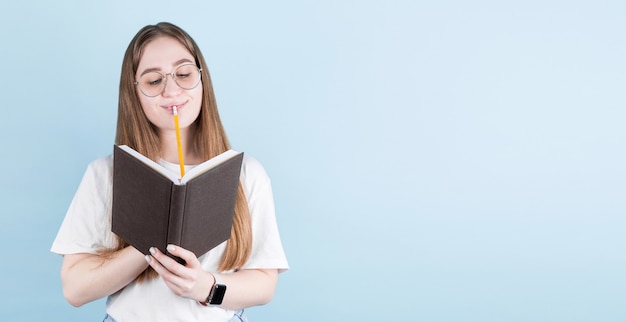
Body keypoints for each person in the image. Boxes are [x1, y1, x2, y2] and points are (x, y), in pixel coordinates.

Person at [50, 22, 289, 322]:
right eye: (153, 81)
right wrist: (149, 245)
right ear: (134, 93)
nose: (172, 90)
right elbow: (75, 289)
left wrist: (204, 287)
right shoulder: (105, 175)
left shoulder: (246, 174)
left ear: (203, 80)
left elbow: (265, 282)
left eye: (184, 74)